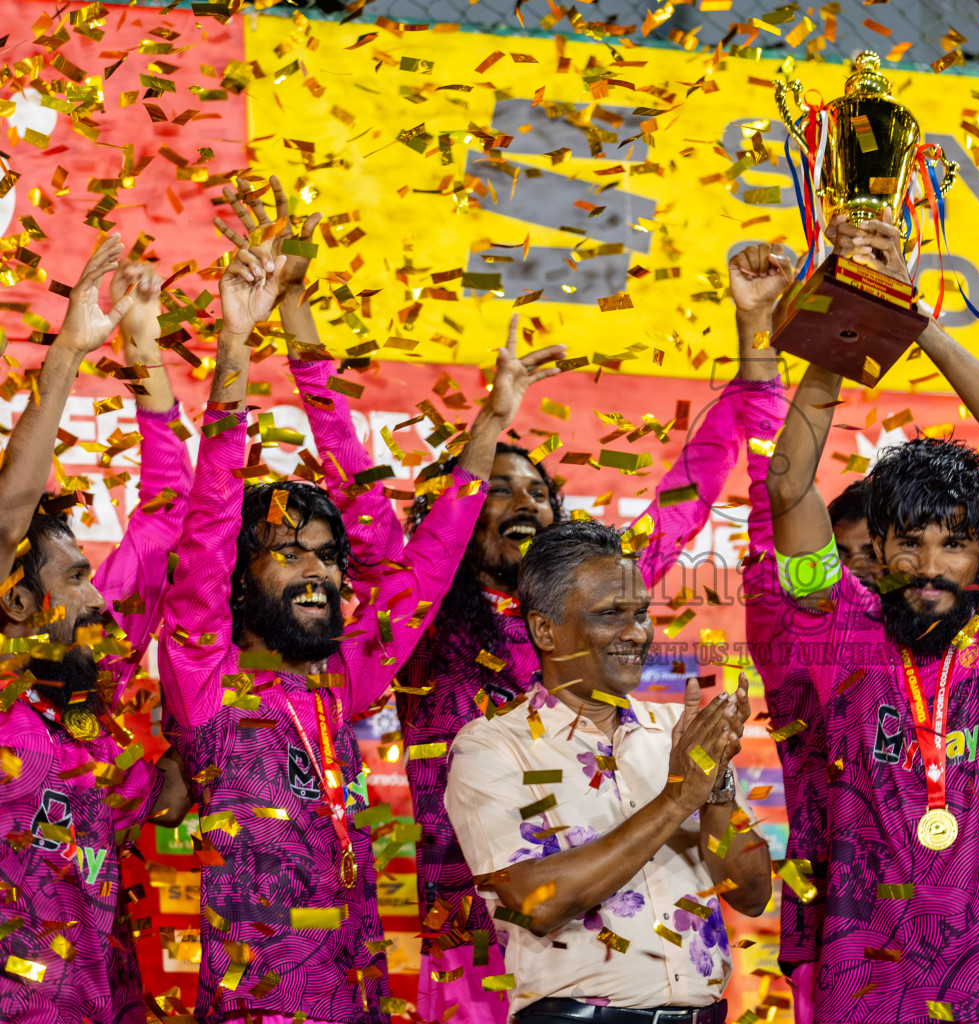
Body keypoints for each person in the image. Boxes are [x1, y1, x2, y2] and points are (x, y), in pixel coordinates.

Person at [158, 190, 557, 1020]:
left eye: (328, 556)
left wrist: (490, 423)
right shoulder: (203, 674)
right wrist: (236, 341)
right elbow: (209, 513)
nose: (317, 571)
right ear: (236, 580)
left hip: (363, 999)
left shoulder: (343, 679)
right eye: (287, 551)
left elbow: (433, 552)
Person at [394, 253, 784, 1015]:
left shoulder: (606, 614)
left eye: (539, 491)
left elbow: (690, 491)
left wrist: (754, 332)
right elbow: (428, 541)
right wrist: (493, 419)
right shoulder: (420, 625)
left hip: (653, 963)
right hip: (479, 940)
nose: (525, 502)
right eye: (495, 490)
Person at [766, 212, 979, 1022]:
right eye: (910, 544)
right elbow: (790, 491)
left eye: (956, 545)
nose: (933, 566)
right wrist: (846, 324)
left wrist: (916, 321)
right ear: (882, 548)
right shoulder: (840, 632)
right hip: (871, 990)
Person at [444, 519, 772, 1023]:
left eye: (641, 613)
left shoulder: (675, 732)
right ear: (545, 630)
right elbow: (534, 901)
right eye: (610, 614)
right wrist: (678, 797)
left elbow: (751, 896)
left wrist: (717, 789)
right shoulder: (490, 746)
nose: (637, 632)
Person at [0, 240, 194, 1021]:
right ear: (15, 605)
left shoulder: (98, 710)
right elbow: (11, 515)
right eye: (75, 577)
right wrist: (69, 357)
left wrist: (145, 351)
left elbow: (170, 512)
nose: (99, 599)